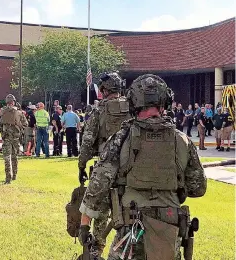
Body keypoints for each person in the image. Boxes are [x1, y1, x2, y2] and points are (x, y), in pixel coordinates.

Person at [79, 74, 207, 260]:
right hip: (169, 229)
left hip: (131, 230)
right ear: (165, 103)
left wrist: (85, 224)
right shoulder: (182, 140)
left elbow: (98, 185)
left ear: (133, 102)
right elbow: (198, 188)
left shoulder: (121, 138)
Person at [77, 72, 131, 256]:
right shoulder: (132, 108)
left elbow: (87, 141)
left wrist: (81, 165)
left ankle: (96, 251)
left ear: (103, 89)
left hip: (105, 169)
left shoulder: (98, 110)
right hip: (131, 170)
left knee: (100, 212)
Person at [0, 94, 27, 184]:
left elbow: (1, 122)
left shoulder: (3, 111)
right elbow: (25, 124)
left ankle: (8, 177)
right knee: (14, 157)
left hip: (7, 137)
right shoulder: (19, 112)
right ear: (13, 102)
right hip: (15, 138)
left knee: (7, 158)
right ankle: (14, 175)